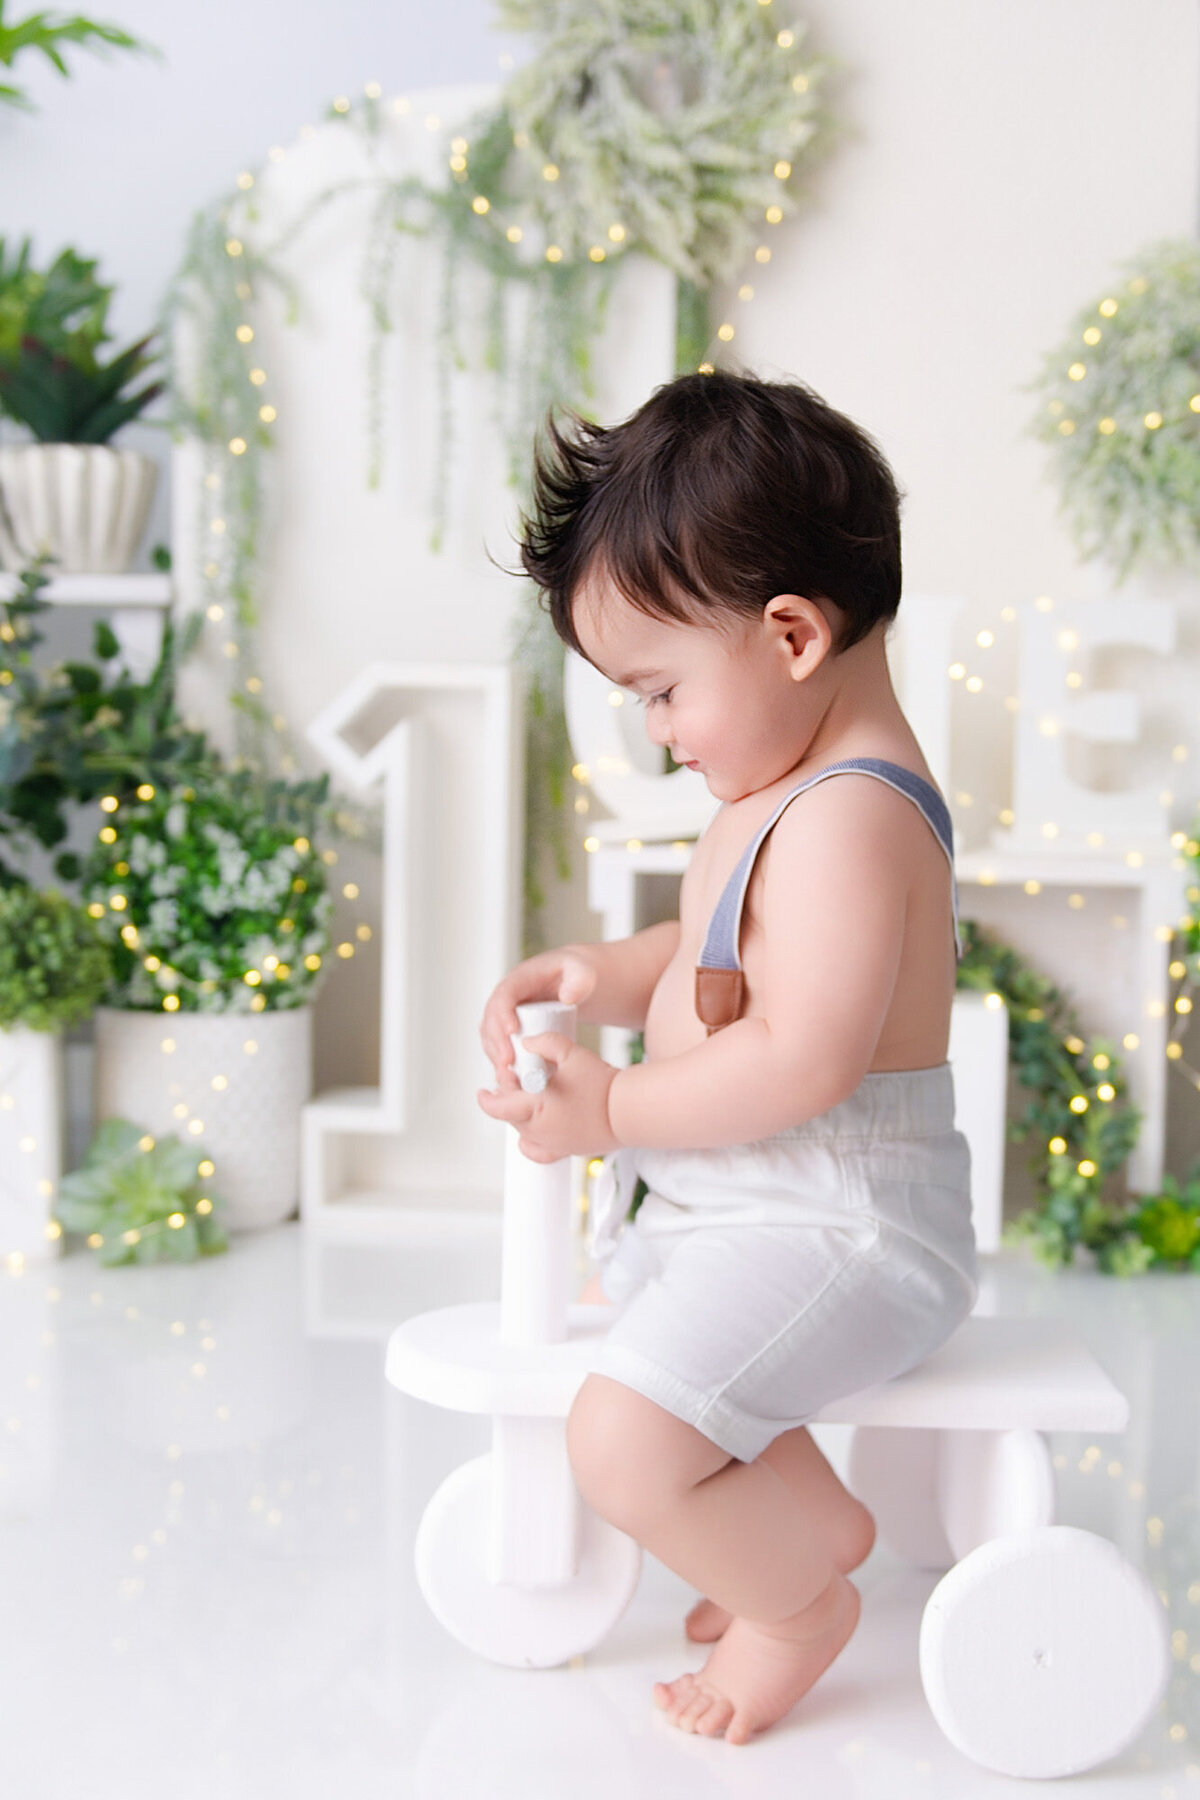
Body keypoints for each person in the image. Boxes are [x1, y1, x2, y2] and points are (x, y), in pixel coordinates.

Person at [477, 369, 978, 1746]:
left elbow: (805, 1054)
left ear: (793, 635)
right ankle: (808, 1523)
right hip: (757, 1208)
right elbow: (715, 949)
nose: (658, 731)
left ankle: (800, 1611)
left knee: (620, 1438)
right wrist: (605, 974)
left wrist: (619, 1106)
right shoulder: (783, 784)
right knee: (635, 1302)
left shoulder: (854, 815)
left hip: (844, 1222)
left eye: (659, 691)